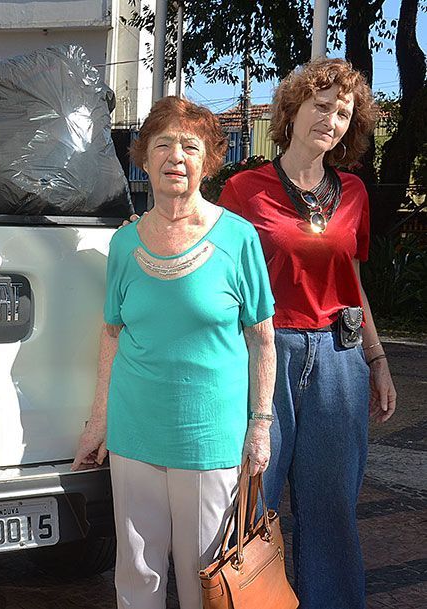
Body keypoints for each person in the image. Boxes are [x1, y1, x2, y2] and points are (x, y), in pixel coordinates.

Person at [73, 96, 276, 609]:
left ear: (208, 161)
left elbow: (262, 340)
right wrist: (98, 422)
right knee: (137, 572)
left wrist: (260, 426)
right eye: (163, 144)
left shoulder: (239, 238)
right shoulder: (123, 244)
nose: (175, 157)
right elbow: (112, 335)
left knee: (203, 576)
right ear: (144, 158)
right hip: (135, 430)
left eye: (190, 146)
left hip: (209, 435)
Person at [218, 58, 397, 609]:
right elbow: (218, 280)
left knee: (332, 509)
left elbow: (354, 284)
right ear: (291, 110)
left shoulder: (357, 194)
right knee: (253, 503)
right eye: (322, 106)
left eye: (343, 112)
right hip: (265, 356)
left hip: (340, 362)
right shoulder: (244, 190)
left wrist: (378, 360)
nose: (332, 119)